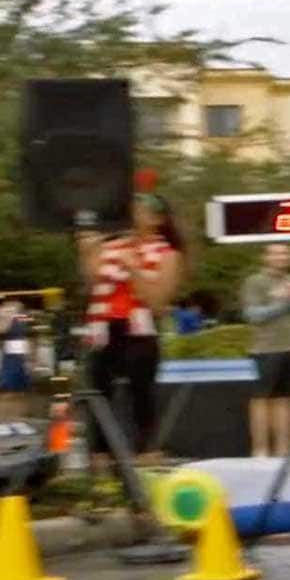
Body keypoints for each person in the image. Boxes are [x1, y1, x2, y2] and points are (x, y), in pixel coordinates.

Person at [77, 186, 186, 467]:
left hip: (139, 328)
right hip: (103, 325)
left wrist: (134, 269)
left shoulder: (167, 254)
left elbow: (158, 303)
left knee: (142, 391)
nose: (133, 214)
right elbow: (92, 285)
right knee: (98, 390)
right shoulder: (111, 245)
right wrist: (87, 252)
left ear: (157, 219)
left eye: (141, 209)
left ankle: (146, 452)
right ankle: (99, 454)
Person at [242, 243, 290, 459]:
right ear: (266, 257)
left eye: (285, 253)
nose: (281, 257)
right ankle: (260, 449)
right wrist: (283, 302)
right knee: (261, 398)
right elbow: (254, 316)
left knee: (285, 398)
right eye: (276, 253)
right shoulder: (255, 282)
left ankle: (285, 450)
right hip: (265, 349)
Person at [0, 299, 34, 421]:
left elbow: (26, 337)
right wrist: (6, 316)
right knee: (8, 391)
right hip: (9, 358)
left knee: (19, 391)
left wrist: (31, 359)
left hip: (18, 356)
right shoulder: (5, 320)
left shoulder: (20, 320)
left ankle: (19, 417)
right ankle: (5, 417)